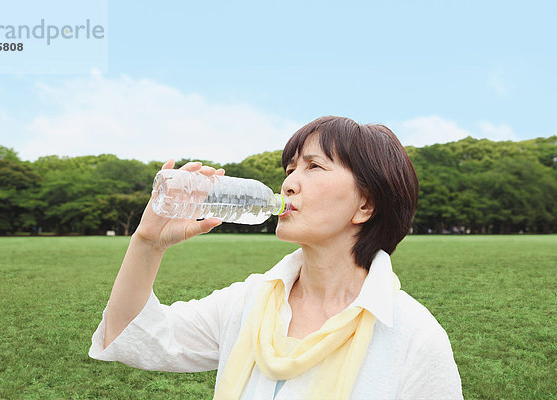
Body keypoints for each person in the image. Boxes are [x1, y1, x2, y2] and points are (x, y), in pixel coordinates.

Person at [89, 116, 463, 399]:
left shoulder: (414, 336)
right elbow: (133, 334)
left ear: (365, 204)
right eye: (290, 169)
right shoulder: (249, 301)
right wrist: (147, 243)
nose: (288, 183)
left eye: (314, 166)